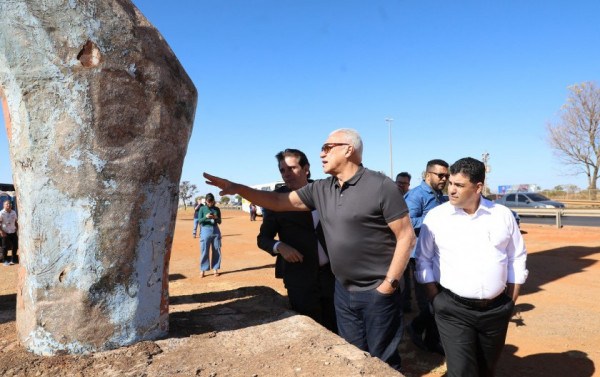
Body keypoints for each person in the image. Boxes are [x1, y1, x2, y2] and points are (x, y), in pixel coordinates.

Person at [203, 128, 415, 371]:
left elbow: (406, 236)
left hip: (376, 292)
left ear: (349, 150)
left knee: (382, 360)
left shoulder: (380, 186)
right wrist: (238, 187)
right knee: (354, 356)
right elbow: (278, 202)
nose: (321, 153)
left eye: (327, 147)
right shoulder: (322, 189)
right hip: (342, 291)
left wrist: (389, 285)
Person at [415, 157, 528, 377]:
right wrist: (435, 299)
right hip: (453, 310)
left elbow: (517, 257)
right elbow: (423, 259)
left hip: (496, 310)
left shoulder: (502, 215)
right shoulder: (437, 217)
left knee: (486, 369)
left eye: (459, 185)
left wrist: (510, 301)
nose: (452, 190)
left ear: (478, 187)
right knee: (462, 372)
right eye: (450, 184)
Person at [257, 148, 337, 333]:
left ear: (306, 168)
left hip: (333, 275)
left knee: (337, 325)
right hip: (300, 278)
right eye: (282, 170)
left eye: (291, 168)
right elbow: (263, 239)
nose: (287, 174)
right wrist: (279, 246)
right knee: (311, 329)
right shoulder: (276, 200)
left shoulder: (324, 190)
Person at [404, 159, 449, 354]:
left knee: (437, 300)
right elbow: (407, 221)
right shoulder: (416, 195)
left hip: (437, 255)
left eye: (446, 176)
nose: (444, 179)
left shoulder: (440, 196)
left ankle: (431, 339)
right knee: (430, 302)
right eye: (440, 175)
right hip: (420, 256)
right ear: (427, 175)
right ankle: (415, 327)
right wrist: (436, 217)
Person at [198, 193, 222, 277]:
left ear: (213, 201)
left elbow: (220, 222)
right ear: (206, 201)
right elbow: (199, 221)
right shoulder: (202, 208)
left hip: (215, 230)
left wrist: (216, 218)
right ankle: (203, 270)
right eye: (208, 202)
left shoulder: (217, 209)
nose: (210, 203)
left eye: (211, 202)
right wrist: (206, 217)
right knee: (204, 250)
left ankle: (215, 268)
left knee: (216, 250)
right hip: (205, 230)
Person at [0, 200, 18, 266]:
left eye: (10, 204)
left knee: (15, 246)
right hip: (5, 232)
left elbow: (16, 221)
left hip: (13, 231)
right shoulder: (1, 213)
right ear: (3, 205)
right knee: (5, 247)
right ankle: (5, 261)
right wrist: (1, 231)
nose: (9, 205)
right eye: (7, 204)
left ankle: (13, 259)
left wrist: (17, 229)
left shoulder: (14, 212)